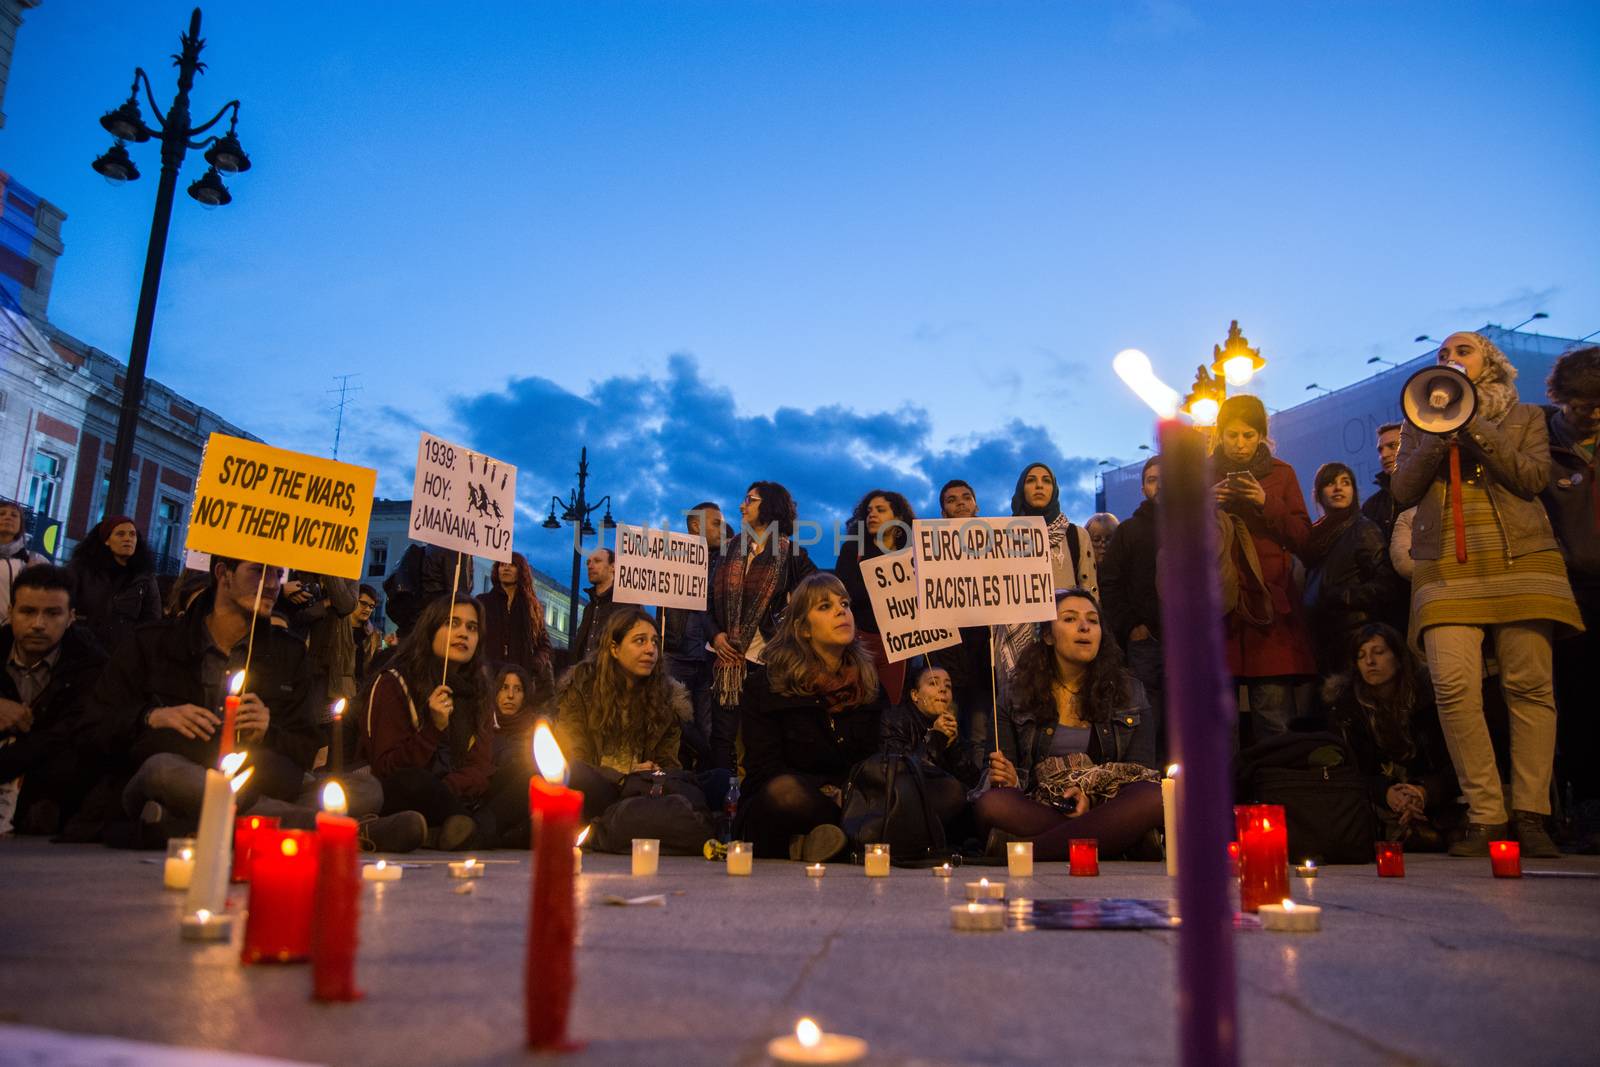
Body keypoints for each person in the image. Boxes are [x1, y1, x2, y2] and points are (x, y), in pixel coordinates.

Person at [1392, 331, 1583, 858]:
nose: (1449, 359)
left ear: (1490, 363)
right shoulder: (1417, 423)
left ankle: (1531, 813)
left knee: (1529, 687)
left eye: (1462, 351)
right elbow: (1403, 491)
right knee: (1453, 686)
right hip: (1446, 566)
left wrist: (1474, 424)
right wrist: (1436, 434)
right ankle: (1485, 813)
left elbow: (1531, 478)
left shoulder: (1526, 420)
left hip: (1521, 558)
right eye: (1442, 355)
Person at [93, 557, 416, 850]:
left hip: (263, 781)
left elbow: (304, 747)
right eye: (259, 571)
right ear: (223, 574)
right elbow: (97, 723)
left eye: (278, 573)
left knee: (366, 788)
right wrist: (153, 717)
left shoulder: (287, 654)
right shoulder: (154, 642)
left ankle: (179, 824)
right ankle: (342, 831)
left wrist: (268, 730)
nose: (273, 584)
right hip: (181, 773)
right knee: (163, 772)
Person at [975, 589, 1164, 861]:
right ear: (1048, 636)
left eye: (1093, 620)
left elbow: (1138, 772)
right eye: (1070, 619)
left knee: (1153, 796)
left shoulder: (1129, 691)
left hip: (1106, 803)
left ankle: (1025, 851)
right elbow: (995, 777)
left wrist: (1092, 798)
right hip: (1040, 804)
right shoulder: (1015, 694)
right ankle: (1119, 840)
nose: (1084, 626)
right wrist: (1010, 778)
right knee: (992, 804)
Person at [736, 573, 883, 861]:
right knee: (786, 792)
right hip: (784, 804)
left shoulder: (868, 683)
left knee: (944, 791)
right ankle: (834, 839)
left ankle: (819, 843)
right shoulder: (766, 685)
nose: (842, 611)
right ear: (803, 628)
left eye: (845, 604)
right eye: (825, 607)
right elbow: (764, 768)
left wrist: (848, 792)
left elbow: (874, 760)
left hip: (852, 800)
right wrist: (826, 790)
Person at [360, 595, 520, 849]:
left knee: (527, 775)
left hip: (458, 793)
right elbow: (387, 769)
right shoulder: (394, 682)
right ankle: (481, 832)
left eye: (471, 627)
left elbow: (481, 767)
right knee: (414, 782)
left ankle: (463, 831)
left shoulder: (478, 689)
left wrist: (451, 787)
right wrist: (433, 730)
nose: (463, 634)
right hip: (415, 791)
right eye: (452, 623)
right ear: (430, 629)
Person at [1211, 394, 1316, 742]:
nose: (1240, 444)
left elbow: (1304, 538)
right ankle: (1224, 797)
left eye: (1249, 435)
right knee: (1219, 729)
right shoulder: (1199, 477)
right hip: (1219, 612)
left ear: (1261, 436)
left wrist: (1265, 501)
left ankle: (1276, 793)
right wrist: (1205, 505)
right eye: (1232, 435)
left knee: (1274, 721)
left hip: (1269, 614)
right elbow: (1173, 541)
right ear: (1220, 435)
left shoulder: (1281, 474)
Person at [552, 608, 711, 836]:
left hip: (643, 792)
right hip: (599, 787)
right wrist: (623, 776)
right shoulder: (580, 689)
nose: (650, 650)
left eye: (655, 642)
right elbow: (576, 758)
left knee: (716, 781)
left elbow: (669, 764)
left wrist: (653, 774)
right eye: (640, 641)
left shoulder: (666, 697)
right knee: (577, 774)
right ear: (614, 649)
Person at [1323, 624, 1458, 851]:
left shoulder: (1428, 702)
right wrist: (1386, 793)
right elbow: (1348, 772)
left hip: (1431, 795)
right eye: (1361, 656)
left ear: (1398, 657)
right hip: (1376, 802)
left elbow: (1454, 764)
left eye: (1379, 652)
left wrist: (1422, 791)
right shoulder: (1347, 710)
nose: (1370, 662)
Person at [1539, 346, 1600, 832]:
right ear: (1563, 399)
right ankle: (1587, 805)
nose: (1593, 414)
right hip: (1572, 589)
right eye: (1583, 405)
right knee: (1578, 700)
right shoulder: (1542, 441)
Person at [1, 565, 107, 835]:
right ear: (10, 611)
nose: (38, 624)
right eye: (27, 611)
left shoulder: (92, 667)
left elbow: (73, 735)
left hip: (50, 795)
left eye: (52, 613)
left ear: (71, 617)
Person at [995, 463, 1099, 719]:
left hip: (1064, 638)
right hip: (1017, 637)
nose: (1039, 485)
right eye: (1031, 480)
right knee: (1020, 710)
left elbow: (1090, 592)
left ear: (1055, 489)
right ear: (1021, 489)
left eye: (1046, 480)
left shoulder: (1075, 535)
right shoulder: (1000, 536)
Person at [710, 481, 818, 723]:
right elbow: (708, 600)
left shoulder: (793, 555)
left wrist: (783, 630)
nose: (741, 506)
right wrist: (715, 635)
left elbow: (815, 596)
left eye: (750, 500)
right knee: (722, 737)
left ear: (770, 505)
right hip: (723, 658)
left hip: (765, 660)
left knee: (758, 733)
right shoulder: (729, 550)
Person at [1099, 456, 1166, 765]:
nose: (1160, 484)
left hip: (1189, 642)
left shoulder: (1195, 526)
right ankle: (1150, 790)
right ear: (1143, 487)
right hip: (1145, 642)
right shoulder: (1128, 531)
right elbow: (1109, 584)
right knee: (1147, 718)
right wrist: (1131, 626)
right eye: (1153, 479)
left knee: (1188, 715)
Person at [1303, 462, 1393, 676]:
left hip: (1357, 639)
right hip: (1324, 640)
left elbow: (1386, 585)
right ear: (1318, 493)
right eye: (1330, 483)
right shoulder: (1314, 539)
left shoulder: (1364, 529)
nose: (1338, 488)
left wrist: (1344, 596)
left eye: (1345, 482)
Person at [926, 479, 994, 761]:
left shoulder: (996, 545)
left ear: (976, 506)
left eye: (966, 497)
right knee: (946, 733)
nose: (960, 503)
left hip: (982, 661)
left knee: (980, 737)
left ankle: (978, 796)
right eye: (952, 500)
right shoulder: (931, 549)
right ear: (943, 513)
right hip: (947, 659)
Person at [834, 489, 916, 705]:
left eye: (881, 510)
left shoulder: (913, 553)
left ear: (898, 518)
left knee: (891, 703)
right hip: (859, 641)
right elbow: (845, 594)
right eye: (869, 511)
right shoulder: (853, 549)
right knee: (855, 703)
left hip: (898, 646)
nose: (872, 515)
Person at [664, 502, 727, 759]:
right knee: (676, 721)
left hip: (710, 659)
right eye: (716, 523)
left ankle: (706, 778)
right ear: (695, 525)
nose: (722, 529)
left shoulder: (726, 562)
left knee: (709, 727)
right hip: (678, 655)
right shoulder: (671, 558)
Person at [67, 515, 162, 656]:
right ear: (107, 540)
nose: (128, 539)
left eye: (132, 534)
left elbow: (151, 621)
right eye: (120, 534)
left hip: (123, 656)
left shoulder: (145, 578)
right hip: (83, 651)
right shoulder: (82, 570)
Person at [881, 664, 982, 794]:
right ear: (915, 695)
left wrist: (953, 746)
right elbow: (902, 774)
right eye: (933, 683)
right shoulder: (894, 719)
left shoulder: (949, 725)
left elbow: (973, 784)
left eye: (948, 686)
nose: (943, 690)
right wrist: (936, 738)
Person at [478, 552, 556, 684]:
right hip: (489, 677)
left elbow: (545, 645)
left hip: (520, 679)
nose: (506, 568)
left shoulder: (531, 607)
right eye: (502, 565)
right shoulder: (483, 602)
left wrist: (534, 665)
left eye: (512, 565)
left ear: (521, 571)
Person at [0, 500, 47, 628]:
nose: (8, 517)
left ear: (21, 524)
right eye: (2, 514)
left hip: (18, 633)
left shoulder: (36, 561)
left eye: (14, 515)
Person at [568, 547, 617, 668]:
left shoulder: (624, 607)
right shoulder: (589, 608)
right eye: (588, 562)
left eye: (597, 561)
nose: (590, 566)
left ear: (613, 567)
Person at [351, 585, 382, 680]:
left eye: (371, 606)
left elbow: (377, 664)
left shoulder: (375, 634)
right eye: (364, 603)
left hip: (361, 687)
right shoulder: (339, 628)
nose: (368, 609)